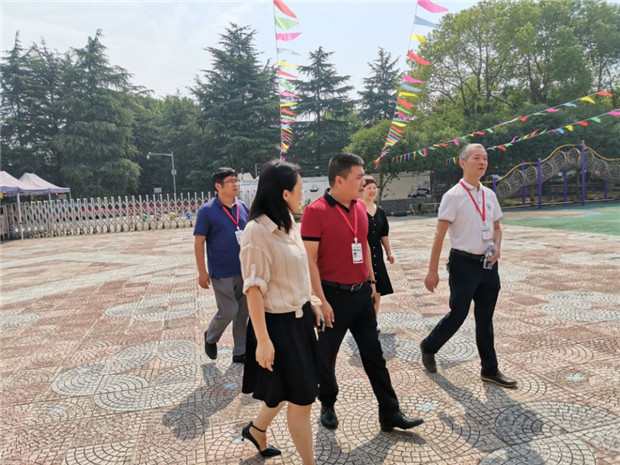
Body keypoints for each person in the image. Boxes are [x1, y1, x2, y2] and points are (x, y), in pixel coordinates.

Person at [301, 152, 423, 432]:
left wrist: (372, 282)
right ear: (339, 180)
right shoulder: (315, 211)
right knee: (326, 357)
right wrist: (320, 300)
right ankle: (328, 403)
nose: (364, 182)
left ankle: (390, 412)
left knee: (374, 355)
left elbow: (365, 245)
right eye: (358, 177)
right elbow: (309, 260)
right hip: (332, 297)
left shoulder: (359, 208)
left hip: (361, 295)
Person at [240, 160, 322, 464]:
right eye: (300, 188)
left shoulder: (289, 223)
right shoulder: (256, 232)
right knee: (302, 400)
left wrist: (311, 300)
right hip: (276, 328)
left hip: (300, 322)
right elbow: (253, 289)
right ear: (285, 193)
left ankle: (257, 430)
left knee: (285, 390)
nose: (303, 194)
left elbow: (298, 271)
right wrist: (263, 340)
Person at [420, 143, 517, 388]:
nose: (482, 162)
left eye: (485, 158)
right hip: (463, 264)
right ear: (462, 162)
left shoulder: (490, 195)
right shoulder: (453, 196)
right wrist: (432, 271)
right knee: (458, 314)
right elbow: (439, 235)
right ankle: (429, 346)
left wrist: (497, 247)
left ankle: (489, 369)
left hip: (488, 265)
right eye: (476, 158)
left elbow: (497, 229)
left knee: (485, 318)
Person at [193, 167, 249, 363]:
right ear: (218, 186)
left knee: (243, 312)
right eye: (230, 181)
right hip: (221, 271)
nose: (235, 184)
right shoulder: (207, 211)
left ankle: (240, 350)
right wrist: (202, 272)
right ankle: (211, 336)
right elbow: (199, 241)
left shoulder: (242, 207)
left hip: (244, 269)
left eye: (236, 180)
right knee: (229, 310)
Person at [362, 176, 394, 324]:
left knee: (378, 290)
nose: (372, 191)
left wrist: (388, 252)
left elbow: (384, 234)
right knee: (366, 289)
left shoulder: (380, 212)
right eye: (369, 188)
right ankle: (364, 322)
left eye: (374, 188)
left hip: (377, 255)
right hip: (362, 256)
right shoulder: (357, 210)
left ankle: (373, 322)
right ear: (362, 190)